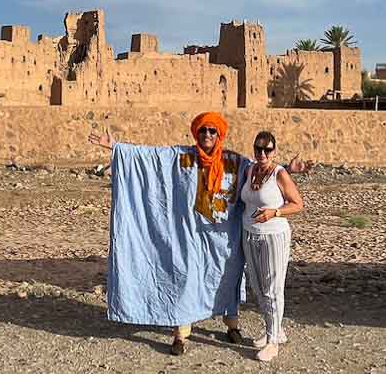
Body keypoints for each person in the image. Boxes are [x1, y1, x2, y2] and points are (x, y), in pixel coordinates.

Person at [89, 112, 309, 356]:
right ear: (196, 133)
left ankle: (232, 324)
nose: (207, 135)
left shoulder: (234, 161)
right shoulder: (183, 158)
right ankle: (181, 333)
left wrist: (289, 169)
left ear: (219, 135)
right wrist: (117, 147)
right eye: (203, 130)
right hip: (191, 236)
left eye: (212, 131)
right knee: (187, 278)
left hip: (225, 237)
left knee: (228, 278)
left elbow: (264, 171)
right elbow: (152, 158)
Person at [241, 131, 304, 362]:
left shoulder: (280, 174)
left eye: (267, 149)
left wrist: (274, 212)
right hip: (249, 233)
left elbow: (297, 204)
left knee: (273, 288)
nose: (262, 153)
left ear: (274, 151)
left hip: (273, 236)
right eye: (258, 148)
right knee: (257, 286)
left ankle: (272, 341)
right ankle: (275, 329)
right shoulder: (250, 170)